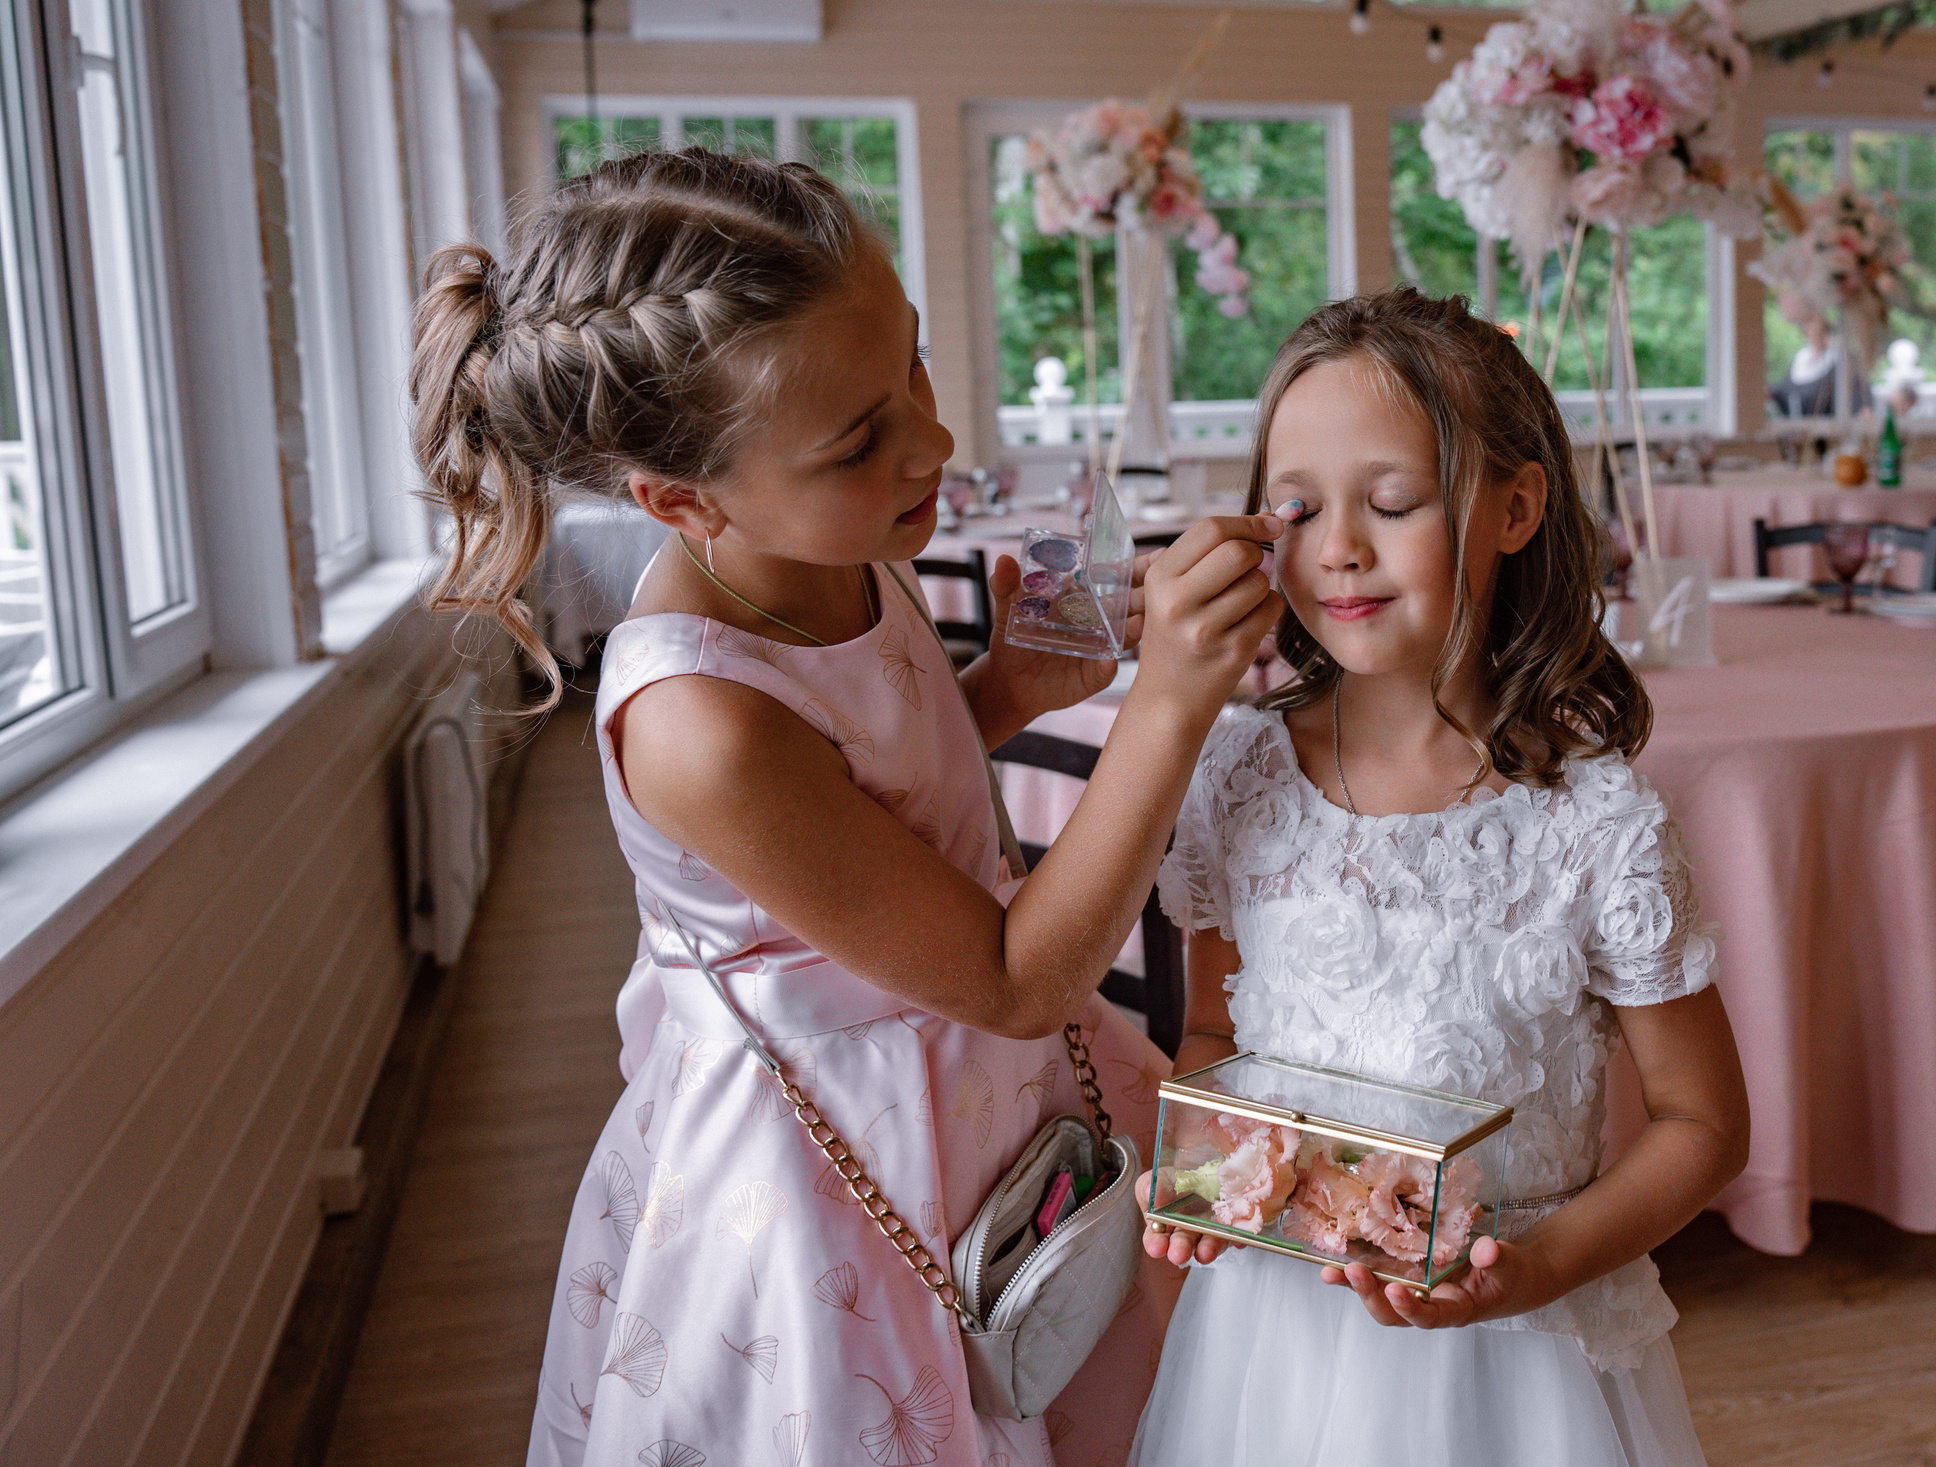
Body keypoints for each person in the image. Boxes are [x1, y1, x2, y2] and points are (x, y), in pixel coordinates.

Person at [407, 149, 1285, 1467]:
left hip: (981, 1089)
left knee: (1081, 1363)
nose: (931, 440)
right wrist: (1165, 708)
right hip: (841, 1161)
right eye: (858, 436)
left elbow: (872, 795)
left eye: (914, 369)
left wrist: (1004, 686)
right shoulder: (697, 716)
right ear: (680, 499)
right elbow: (1008, 976)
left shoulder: (836, 548)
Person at [1131, 289, 1750, 1467]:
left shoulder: (1592, 824)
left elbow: (1702, 1123)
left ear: (1513, 508)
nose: (1339, 547)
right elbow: (1212, 1027)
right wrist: (1208, 1173)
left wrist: (1541, 1269)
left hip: (1516, 1367)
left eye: (1394, 502)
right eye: (1298, 506)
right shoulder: (1236, 778)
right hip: (1272, 1347)